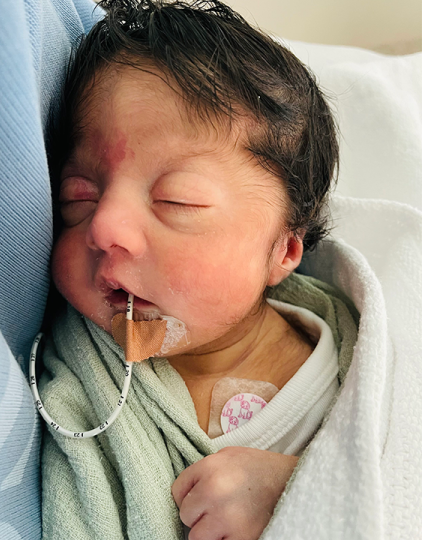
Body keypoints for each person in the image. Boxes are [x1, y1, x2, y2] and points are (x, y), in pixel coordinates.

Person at [35, 1, 358, 539]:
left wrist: (306, 488)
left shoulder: (363, 363)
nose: (104, 227)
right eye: (78, 198)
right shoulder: (82, 385)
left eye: (175, 200)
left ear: (283, 250)